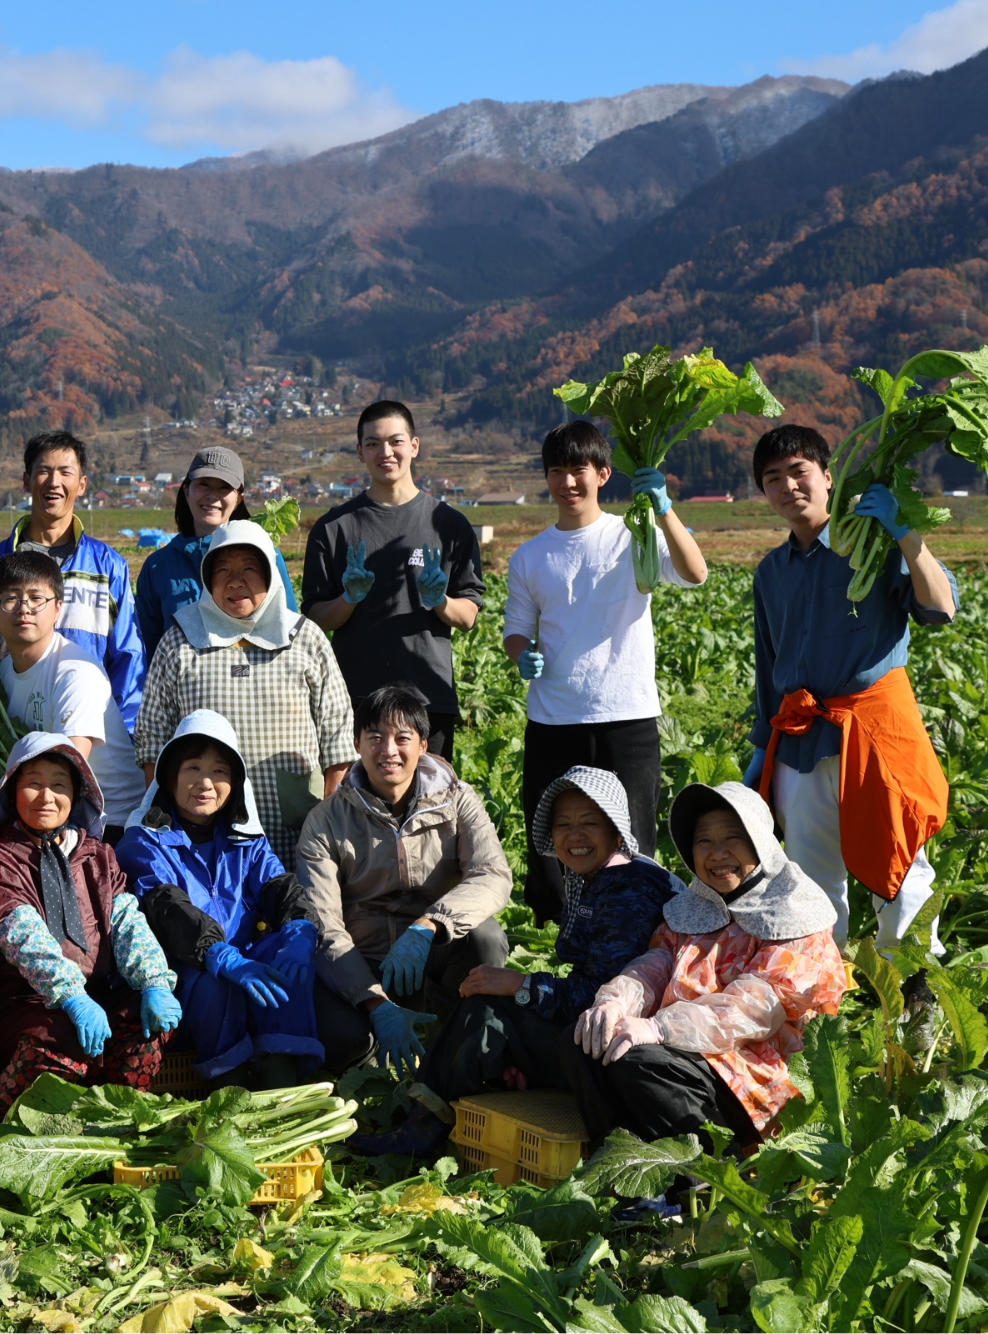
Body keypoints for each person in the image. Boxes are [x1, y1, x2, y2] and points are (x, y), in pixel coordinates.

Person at [349, 766, 678, 1156]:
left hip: (616, 1049)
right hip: (595, 1040)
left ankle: (422, 1129)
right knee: (495, 1008)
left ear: (616, 830)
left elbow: (601, 1000)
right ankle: (432, 1110)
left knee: (487, 1011)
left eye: (590, 822)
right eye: (563, 824)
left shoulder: (631, 892)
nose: (575, 835)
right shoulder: (602, 876)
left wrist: (521, 986)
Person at [749, 425, 956, 948]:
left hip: (878, 731)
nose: (788, 486)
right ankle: (823, 1004)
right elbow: (768, 663)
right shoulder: (771, 570)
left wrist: (906, 533)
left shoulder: (874, 544)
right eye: (773, 478)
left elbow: (940, 607)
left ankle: (914, 1002)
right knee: (808, 881)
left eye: (799, 472)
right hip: (801, 738)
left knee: (902, 870)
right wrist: (760, 749)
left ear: (827, 476)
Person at [504, 420, 708, 923]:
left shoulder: (632, 536)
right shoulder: (530, 557)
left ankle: (640, 928)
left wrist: (663, 510)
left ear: (603, 474)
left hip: (627, 712)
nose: (568, 483)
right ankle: (557, 935)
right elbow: (515, 630)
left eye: (579, 470)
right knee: (552, 835)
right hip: (554, 716)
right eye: (557, 471)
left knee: (634, 830)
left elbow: (694, 572)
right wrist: (520, 654)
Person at [571, 781, 847, 1151]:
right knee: (585, 1042)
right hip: (684, 1049)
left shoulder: (794, 913)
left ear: (760, 843)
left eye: (733, 838)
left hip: (754, 1070)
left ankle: (696, 1172)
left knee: (638, 1062)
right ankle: (624, 1164)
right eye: (704, 841)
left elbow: (752, 1010)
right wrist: (615, 1002)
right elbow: (657, 965)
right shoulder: (698, 903)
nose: (717, 854)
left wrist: (659, 1027)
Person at [295, 686, 512, 1077]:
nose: (388, 750)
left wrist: (430, 925)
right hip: (363, 959)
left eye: (402, 738)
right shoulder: (327, 819)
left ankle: (455, 1039)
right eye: (375, 737)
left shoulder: (458, 800)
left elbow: (492, 874)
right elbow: (323, 924)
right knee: (344, 1040)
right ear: (357, 743)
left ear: (423, 745)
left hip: (436, 950)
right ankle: (376, 1042)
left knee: (486, 937)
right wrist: (375, 1003)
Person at [0, 734, 180, 1120]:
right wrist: (72, 998)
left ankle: (116, 1117)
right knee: (60, 1038)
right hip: (20, 1001)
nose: (46, 796)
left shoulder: (97, 854)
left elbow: (126, 918)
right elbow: (20, 932)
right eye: (33, 783)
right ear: (12, 790)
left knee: (145, 1021)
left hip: (98, 993)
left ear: (77, 795)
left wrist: (154, 982)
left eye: (59, 784)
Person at [119, 711, 321, 1088]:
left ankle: (282, 1081)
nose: (205, 783)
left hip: (245, 965)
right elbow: (168, 910)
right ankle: (231, 1088)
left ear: (236, 783)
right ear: (170, 777)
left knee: (288, 958)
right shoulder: (143, 842)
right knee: (215, 984)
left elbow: (282, 887)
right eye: (192, 768)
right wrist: (220, 955)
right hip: (183, 973)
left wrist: (301, 929)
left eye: (220, 771)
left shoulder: (247, 840)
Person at [136, 520, 355, 867]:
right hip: (204, 830)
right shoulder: (182, 640)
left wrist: (329, 826)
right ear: (207, 579)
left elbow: (338, 740)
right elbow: (153, 740)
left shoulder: (304, 638)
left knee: (297, 911)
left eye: (249, 568)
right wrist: (165, 818)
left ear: (270, 574)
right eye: (222, 569)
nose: (235, 581)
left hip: (296, 827)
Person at [302, 402, 484, 761]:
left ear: (414, 446)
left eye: (395, 441)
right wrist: (349, 598)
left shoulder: (449, 525)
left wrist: (441, 601)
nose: (385, 452)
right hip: (355, 699)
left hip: (428, 698)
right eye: (372, 443)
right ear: (360, 451)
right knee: (358, 810)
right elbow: (317, 620)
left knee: (430, 809)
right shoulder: (335, 528)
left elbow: (468, 617)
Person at [0, 430, 145, 736]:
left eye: (65, 472)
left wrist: (124, 732)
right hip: (16, 731)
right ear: (26, 481)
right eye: (43, 471)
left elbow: (128, 656)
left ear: (82, 484)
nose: (53, 482)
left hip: (94, 731)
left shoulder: (107, 567)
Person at [0, 552, 148, 842]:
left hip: (110, 823)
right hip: (52, 812)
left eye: (37, 598)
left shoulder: (75, 671)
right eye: (10, 598)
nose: (24, 609)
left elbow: (72, 769)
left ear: (58, 608)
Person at [133, 446, 298, 660]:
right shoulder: (158, 566)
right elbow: (148, 644)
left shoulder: (268, 557)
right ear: (186, 490)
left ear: (239, 498)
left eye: (224, 487)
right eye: (203, 484)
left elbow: (289, 628)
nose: (212, 496)